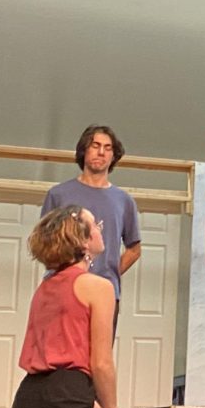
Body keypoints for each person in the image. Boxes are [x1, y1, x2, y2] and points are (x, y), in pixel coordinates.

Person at [0, 206, 157, 408]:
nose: (101, 228)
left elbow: (63, 358)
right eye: (95, 224)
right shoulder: (97, 287)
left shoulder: (45, 288)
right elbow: (100, 363)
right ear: (83, 241)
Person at [42, 125, 141, 333]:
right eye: (95, 146)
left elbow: (134, 249)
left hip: (105, 293)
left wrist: (111, 271)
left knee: (98, 358)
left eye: (108, 147)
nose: (101, 152)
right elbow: (44, 243)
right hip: (63, 290)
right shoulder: (58, 194)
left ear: (114, 156)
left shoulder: (124, 201)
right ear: (84, 150)